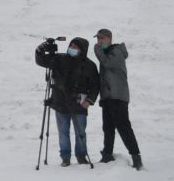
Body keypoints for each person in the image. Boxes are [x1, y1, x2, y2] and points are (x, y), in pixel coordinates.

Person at [34, 37, 101, 167]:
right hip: (60, 102)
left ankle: (81, 156)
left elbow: (95, 86)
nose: (72, 49)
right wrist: (40, 49)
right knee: (63, 132)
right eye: (71, 46)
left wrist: (89, 101)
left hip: (80, 104)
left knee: (80, 132)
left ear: (82, 50)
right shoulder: (60, 59)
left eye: (75, 47)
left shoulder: (90, 65)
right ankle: (65, 157)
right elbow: (41, 60)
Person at [94, 28, 142, 169]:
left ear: (110, 38)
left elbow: (107, 63)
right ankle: (107, 155)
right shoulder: (107, 52)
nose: (99, 41)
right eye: (98, 39)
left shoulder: (116, 52)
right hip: (108, 97)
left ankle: (136, 157)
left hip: (118, 97)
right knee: (107, 128)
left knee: (123, 128)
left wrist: (97, 50)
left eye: (102, 38)